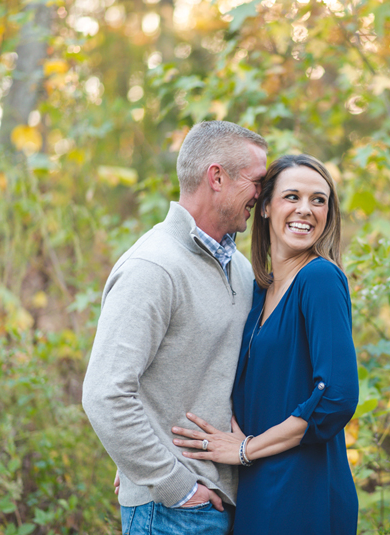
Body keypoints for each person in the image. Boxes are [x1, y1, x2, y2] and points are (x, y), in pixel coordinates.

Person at [82, 121, 268, 534]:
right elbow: (104, 392)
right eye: (257, 180)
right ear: (217, 177)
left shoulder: (238, 268)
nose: (262, 194)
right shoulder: (153, 267)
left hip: (223, 501)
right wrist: (171, 483)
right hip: (173, 511)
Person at [171, 154, 360, 534]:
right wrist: (149, 464)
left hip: (305, 488)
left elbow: (337, 396)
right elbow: (206, 368)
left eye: (318, 200)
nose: (306, 210)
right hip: (257, 487)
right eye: (292, 196)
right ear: (265, 207)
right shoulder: (258, 289)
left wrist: (246, 450)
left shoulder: (320, 279)